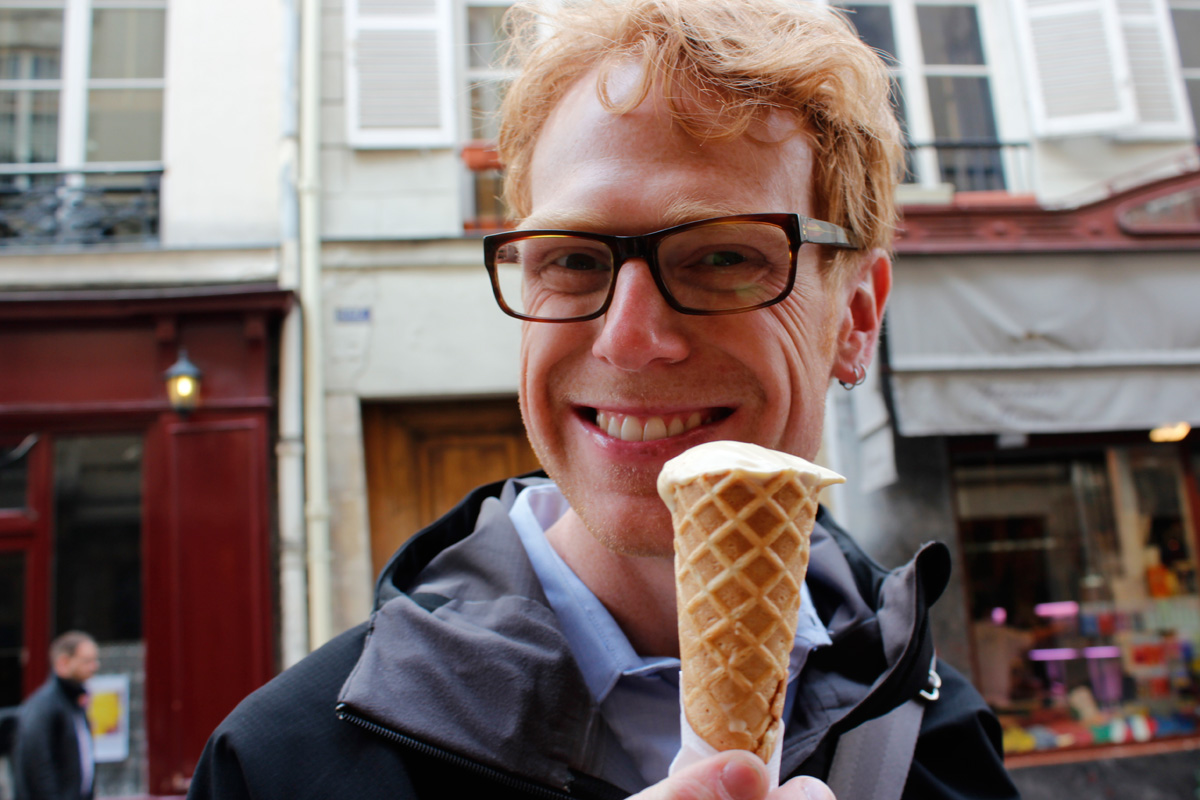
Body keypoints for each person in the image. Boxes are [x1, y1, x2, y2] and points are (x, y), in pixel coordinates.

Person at [189, 1, 1019, 798]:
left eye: (724, 257)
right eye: (572, 261)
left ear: (857, 317)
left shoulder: (945, 740)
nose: (629, 338)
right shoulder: (278, 768)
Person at [13, 631, 100, 800]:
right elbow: (38, 768)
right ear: (63, 663)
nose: (94, 666)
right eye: (87, 661)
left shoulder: (74, 701)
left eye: (94, 660)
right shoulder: (45, 705)